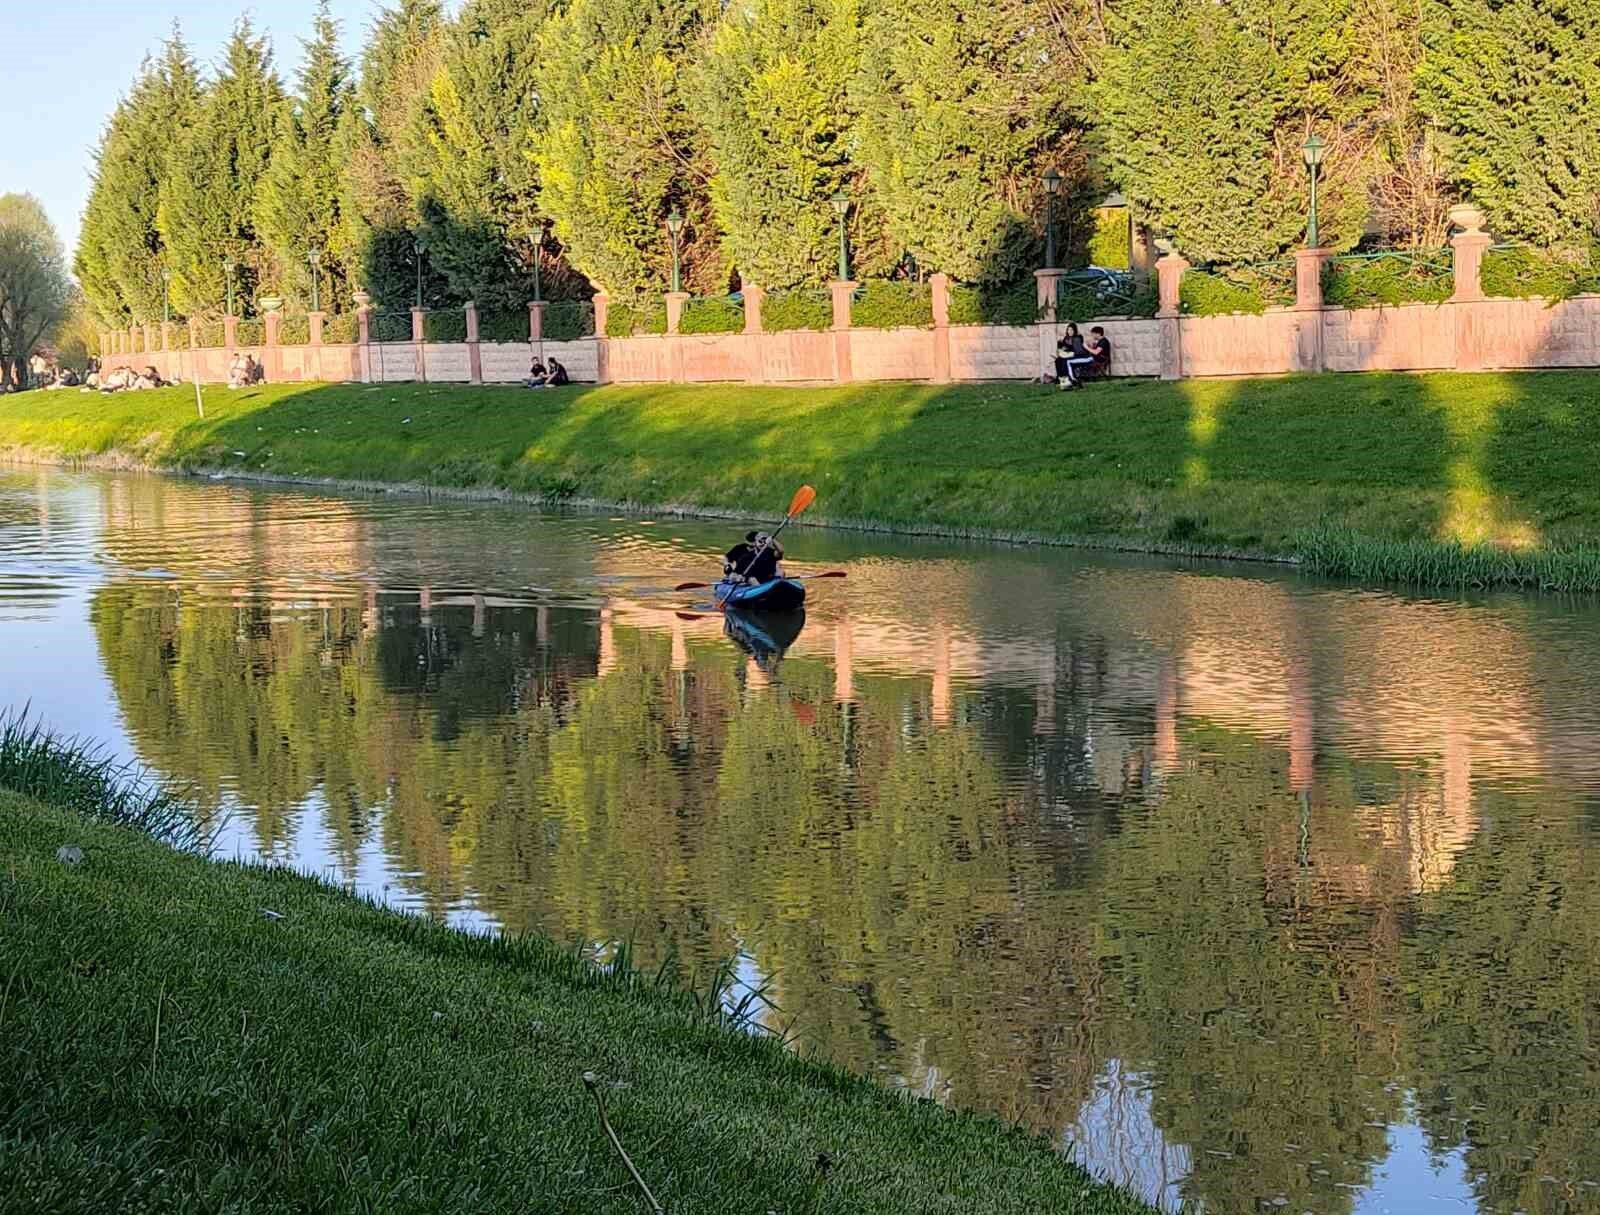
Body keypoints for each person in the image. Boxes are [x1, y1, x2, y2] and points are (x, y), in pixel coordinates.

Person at [1057, 323, 1096, 389]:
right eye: (1068, 330)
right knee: (1058, 360)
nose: (1069, 331)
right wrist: (1061, 347)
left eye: (1071, 330)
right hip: (1074, 356)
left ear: (1075, 330)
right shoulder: (1066, 338)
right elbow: (1064, 348)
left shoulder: (1077, 338)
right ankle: (1063, 379)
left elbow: (1078, 352)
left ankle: (1072, 380)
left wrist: (1068, 353)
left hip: (1084, 357)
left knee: (1067, 361)